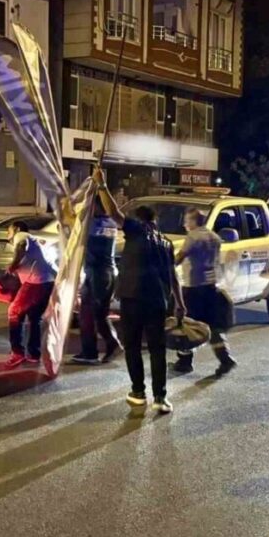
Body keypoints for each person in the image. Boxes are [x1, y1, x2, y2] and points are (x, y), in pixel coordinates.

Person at [97, 167, 185, 414]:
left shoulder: (135, 229)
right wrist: (179, 303)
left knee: (133, 346)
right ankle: (160, 397)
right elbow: (174, 276)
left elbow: (113, 212)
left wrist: (102, 185)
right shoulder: (166, 242)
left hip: (133, 298)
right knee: (157, 349)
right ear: (155, 221)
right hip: (157, 300)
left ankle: (138, 391)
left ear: (140, 220)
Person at [172, 207, 237, 377]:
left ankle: (184, 362)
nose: (185, 224)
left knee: (186, 325)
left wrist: (166, 266)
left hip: (193, 287)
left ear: (193, 221)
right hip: (211, 286)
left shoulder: (193, 237)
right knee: (213, 327)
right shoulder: (214, 237)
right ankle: (225, 359)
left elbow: (179, 258)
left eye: (187, 220)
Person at [70, 194, 123, 365]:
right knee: (95, 314)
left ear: (98, 207)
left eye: (91, 206)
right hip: (106, 273)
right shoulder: (110, 223)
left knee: (91, 314)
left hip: (98, 274)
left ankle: (104, 347)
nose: (89, 209)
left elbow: (73, 228)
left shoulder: (93, 224)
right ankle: (94, 350)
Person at [4, 220, 57, 369]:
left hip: (36, 283)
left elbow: (21, 246)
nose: (8, 234)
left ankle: (17, 353)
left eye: (9, 230)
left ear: (16, 228)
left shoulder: (21, 235)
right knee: (34, 318)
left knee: (14, 312)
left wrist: (13, 265)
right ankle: (34, 354)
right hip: (47, 282)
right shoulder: (35, 241)